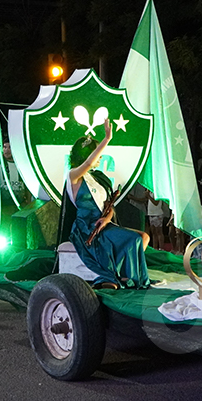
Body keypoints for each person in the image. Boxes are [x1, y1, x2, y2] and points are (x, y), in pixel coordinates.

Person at [66, 119, 150, 289]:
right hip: (87, 228)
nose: (100, 157)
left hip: (103, 224)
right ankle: (112, 276)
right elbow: (88, 163)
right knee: (134, 239)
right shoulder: (74, 176)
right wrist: (106, 139)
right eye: (96, 152)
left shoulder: (98, 178)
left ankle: (120, 274)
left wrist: (107, 219)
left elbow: (108, 207)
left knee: (144, 237)